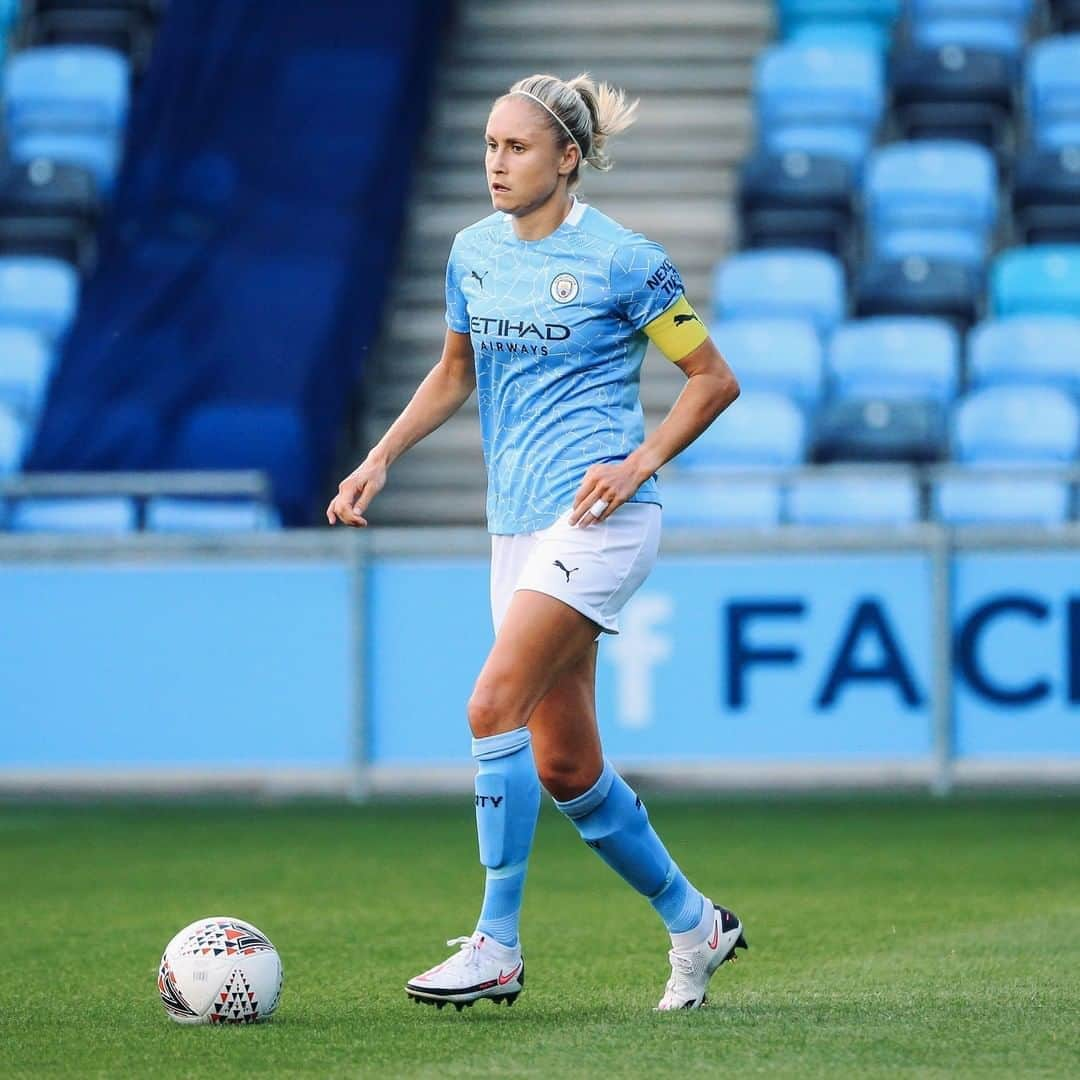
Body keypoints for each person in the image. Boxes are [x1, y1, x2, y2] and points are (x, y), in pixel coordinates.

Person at [327, 72, 744, 1012]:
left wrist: (637, 464)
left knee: (491, 705)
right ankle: (695, 923)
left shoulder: (626, 261)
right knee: (564, 765)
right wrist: (379, 456)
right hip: (514, 526)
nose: (495, 164)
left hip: (601, 519)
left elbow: (712, 379)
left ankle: (496, 944)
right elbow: (452, 372)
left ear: (567, 157)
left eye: (516, 148)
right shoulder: (473, 253)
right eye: (487, 145)